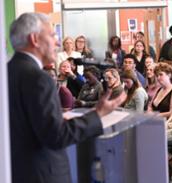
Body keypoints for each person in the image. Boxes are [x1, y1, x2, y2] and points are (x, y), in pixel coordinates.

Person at [8, 12, 126, 183]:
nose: (57, 42)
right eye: (52, 35)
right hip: (42, 174)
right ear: (34, 39)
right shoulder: (39, 78)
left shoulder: (7, 72)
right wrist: (98, 114)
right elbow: (56, 136)